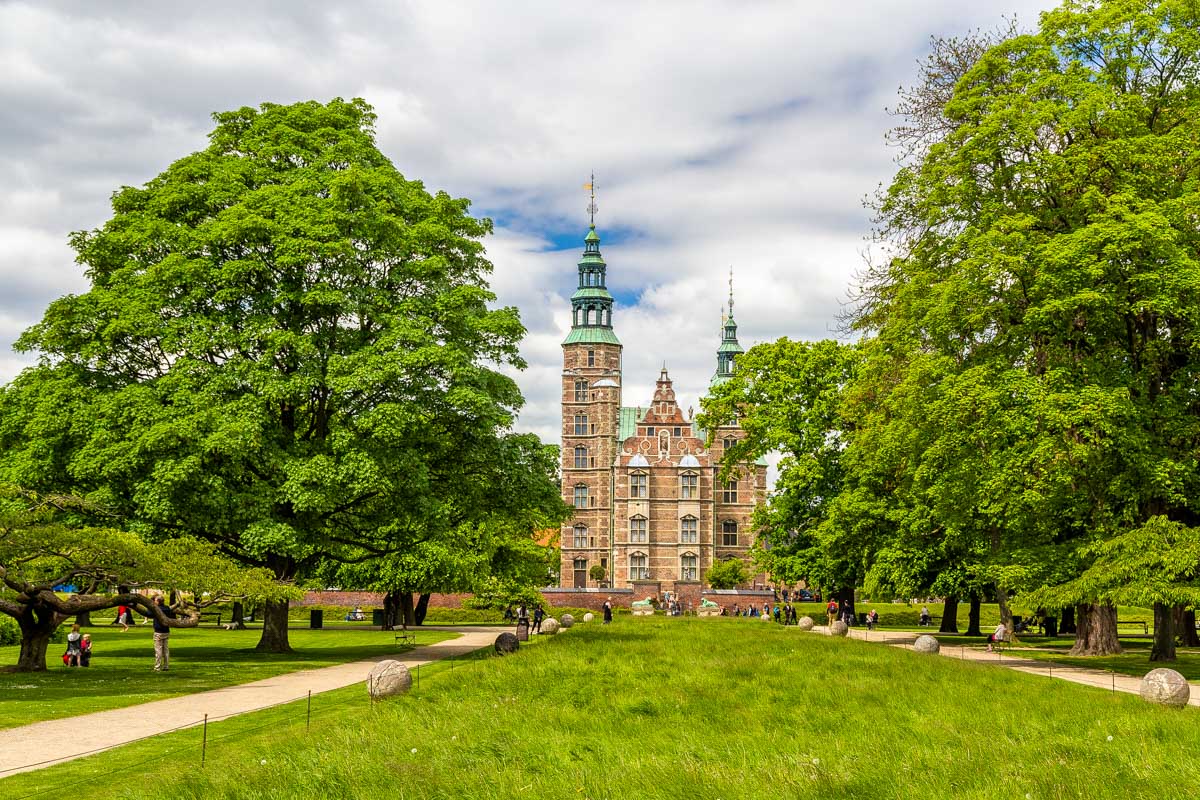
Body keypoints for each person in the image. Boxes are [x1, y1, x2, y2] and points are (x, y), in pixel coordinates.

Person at [152, 596, 176, 671]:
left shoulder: (156, 609)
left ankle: (157, 667)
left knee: (158, 650)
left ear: (158, 601)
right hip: (166, 631)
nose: (154, 601)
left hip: (158, 631)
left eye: (155, 600)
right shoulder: (167, 608)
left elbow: (148, 613)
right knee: (165, 650)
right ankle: (166, 666)